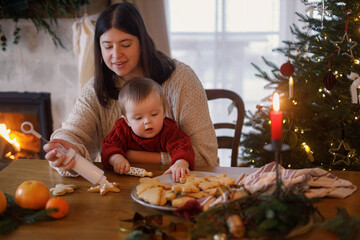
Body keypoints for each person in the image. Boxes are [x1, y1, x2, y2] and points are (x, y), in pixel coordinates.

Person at [43, 2, 218, 179]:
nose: (116, 55)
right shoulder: (95, 88)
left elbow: (206, 157)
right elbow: (71, 133)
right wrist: (64, 148)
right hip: (119, 189)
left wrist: (133, 156)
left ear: (142, 43)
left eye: (125, 45)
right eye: (108, 46)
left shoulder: (181, 79)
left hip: (177, 184)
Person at [102, 77, 194, 182]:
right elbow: (108, 147)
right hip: (128, 180)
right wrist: (116, 159)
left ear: (164, 113)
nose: (147, 121)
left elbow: (183, 147)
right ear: (127, 121)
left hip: (164, 178)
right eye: (138, 118)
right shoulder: (121, 129)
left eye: (154, 114)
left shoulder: (169, 130)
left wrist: (180, 163)